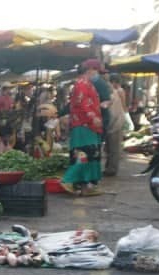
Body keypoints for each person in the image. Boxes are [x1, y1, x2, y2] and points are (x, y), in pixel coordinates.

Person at [61, 60, 105, 196]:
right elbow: (83, 103)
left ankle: (86, 188)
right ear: (90, 70)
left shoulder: (87, 84)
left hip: (89, 126)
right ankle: (68, 180)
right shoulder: (82, 84)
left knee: (91, 155)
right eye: (97, 71)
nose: (98, 74)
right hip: (84, 125)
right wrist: (93, 117)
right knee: (84, 154)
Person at [104, 73, 128, 177]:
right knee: (110, 146)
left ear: (113, 82)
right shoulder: (113, 92)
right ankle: (109, 167)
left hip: (117, 121)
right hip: (113, 121)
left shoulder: (119, 91)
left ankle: (112, 169)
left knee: (114, 147)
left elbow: (123, 107)